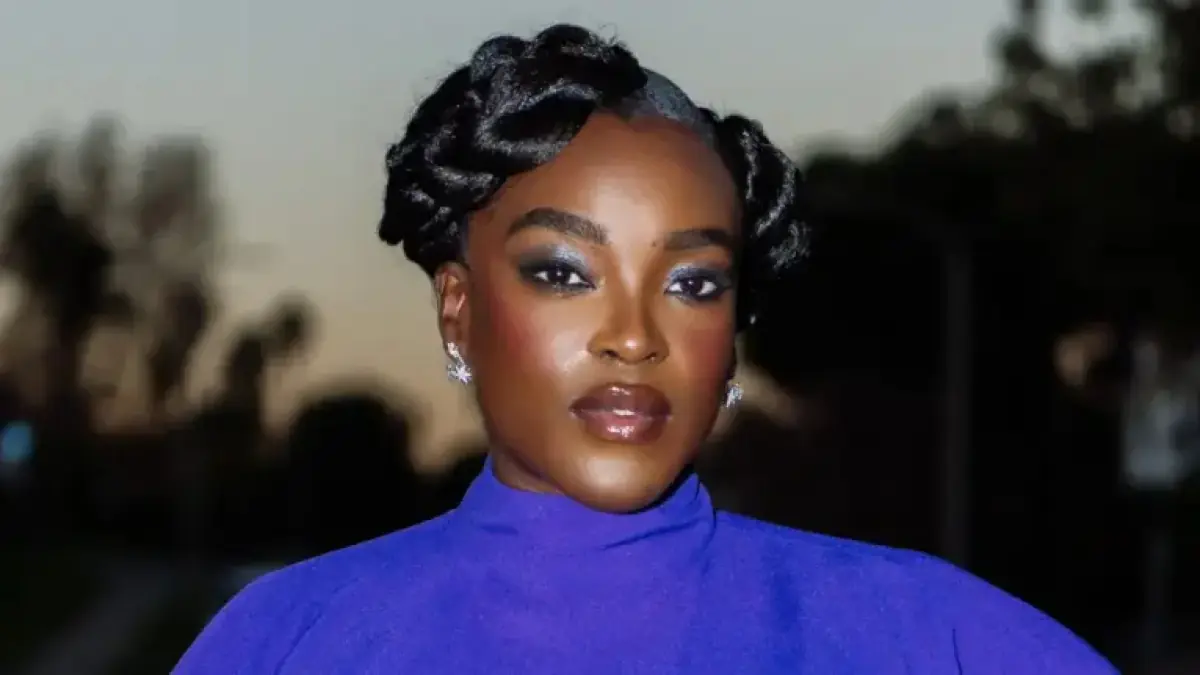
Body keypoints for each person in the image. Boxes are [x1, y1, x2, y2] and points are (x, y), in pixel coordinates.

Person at [174, 24, 1116, 674]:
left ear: (732, 338)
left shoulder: (924, 632)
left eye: (694, 283)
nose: (633, 335)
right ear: (457, 309)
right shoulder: (287, 639)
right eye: (563, 272)